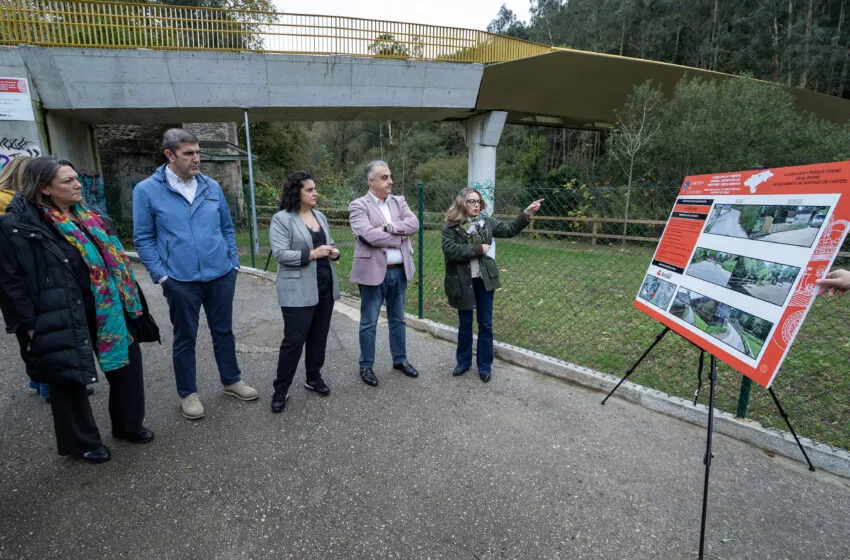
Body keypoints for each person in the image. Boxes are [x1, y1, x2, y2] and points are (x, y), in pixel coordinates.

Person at [0, 156, 158, 463]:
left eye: (76, 178)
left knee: (127, 366)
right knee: (68, 378)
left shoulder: (94, 218)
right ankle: (82, 442)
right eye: (68, 181)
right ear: (44, 188)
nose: (78, 185)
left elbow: (117, 264)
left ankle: (128, 425)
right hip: (56, 312)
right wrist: (28, 324)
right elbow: (9, 282)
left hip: (109, 308)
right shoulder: (16, 226)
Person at [133, 128, 258, 420]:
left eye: (198, 152)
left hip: (220, 274)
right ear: (169, 155)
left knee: (223, 331)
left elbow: (227, 227)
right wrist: (162, 276)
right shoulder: (147, 190)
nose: (196, 158)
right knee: (185, 336)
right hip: (180, 280)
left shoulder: (211, 187)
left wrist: (233, 262)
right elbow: (144, 238)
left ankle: (231, 381)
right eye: (188, 153)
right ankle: (188, 393)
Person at [441, 188, 543, 382]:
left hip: (484, 280)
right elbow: (450, 250)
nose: (476, 205)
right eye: (471, 201)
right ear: (462, 203)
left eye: (478, 201)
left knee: (486, 324)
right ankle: (463, 362)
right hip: (462, 281)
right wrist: (478, 249)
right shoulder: (451, 227)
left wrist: (526, 213)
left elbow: (509, 229)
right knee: (465, 324)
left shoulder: (487, 222)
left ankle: (484, 366)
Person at [268, 171, 341, 413]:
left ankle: (313, 377)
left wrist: (334, 252)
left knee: (319, 336)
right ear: (296, 192)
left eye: (315, 189)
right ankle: (281, 389)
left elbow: (328, 244)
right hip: (296, 289)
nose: (315, 193)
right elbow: (280, 254)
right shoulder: (282, 219)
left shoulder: (320, 216)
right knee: (294, 341)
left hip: (324, 286)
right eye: (310, 190)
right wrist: (312, 254)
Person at [348, 160, 420, 386]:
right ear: (371, 181)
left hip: (399, 271)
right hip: (372, 272)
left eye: (390, 176)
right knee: (369, 321)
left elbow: (415, 224)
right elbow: (369, 235)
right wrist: (401, 237)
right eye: (384, 177)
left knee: (398, 319)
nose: (390, 181)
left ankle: (400, 360)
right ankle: (366, 366)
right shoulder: (358, 205)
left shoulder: (399, 201)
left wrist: (389, 227)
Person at [0, 157, 52, 400]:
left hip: (11, 277)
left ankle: (37, 380)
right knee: (36, 328)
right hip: (22, 275)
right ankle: (48, 387)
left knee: (27, 330)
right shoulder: (14, 204)